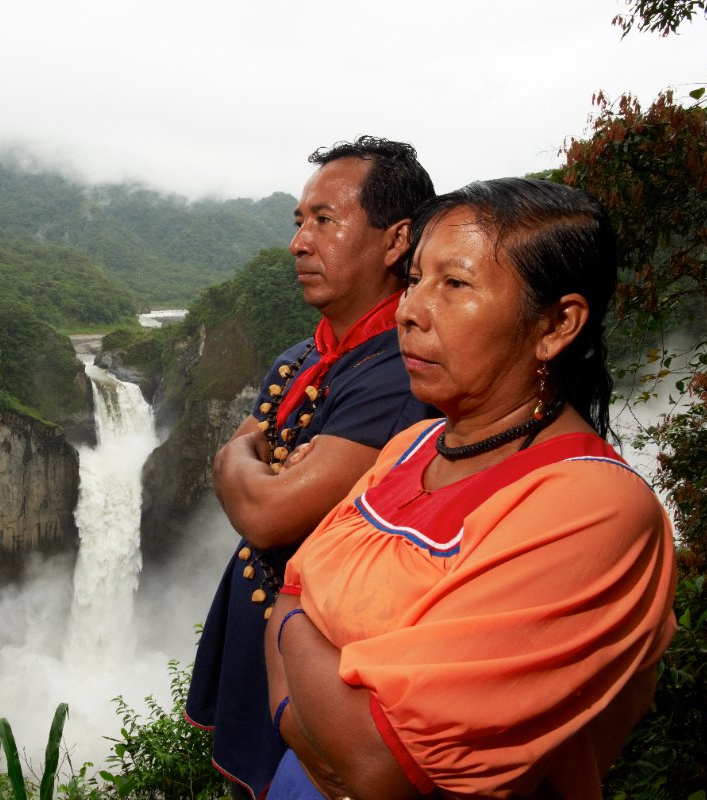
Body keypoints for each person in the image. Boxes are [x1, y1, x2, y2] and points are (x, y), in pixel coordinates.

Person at [264, 178, 678, 799]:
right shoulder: (413, 446)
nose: (409, 310)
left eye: (454, 285)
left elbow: (378, 763)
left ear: (556, 324)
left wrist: (292, 624)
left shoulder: (592, 508)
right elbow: (292, 595)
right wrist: (309, 707)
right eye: (415, 280)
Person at [185, 137, 437, 799]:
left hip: (322, 671)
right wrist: (250, 460)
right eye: (299, 222)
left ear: (395, 240)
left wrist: (244, 462)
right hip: (265, 646)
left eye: (324, 220)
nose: (299, 242)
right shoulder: (303, 356)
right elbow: (249, 464)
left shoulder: (402, 371)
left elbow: (266, 513)